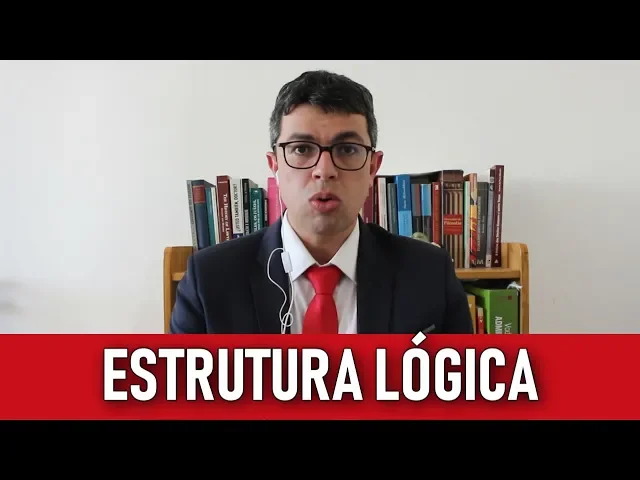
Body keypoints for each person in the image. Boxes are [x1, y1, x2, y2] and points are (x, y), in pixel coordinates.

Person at [169, 70, 474, 334]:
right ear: (275, 165)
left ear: (372, 168)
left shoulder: (429, 274)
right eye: (302, 149)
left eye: (347, 149)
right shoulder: (209, 280)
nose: (324, 171)